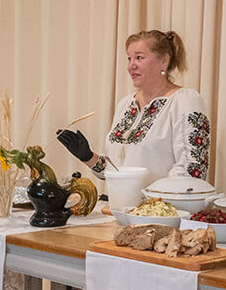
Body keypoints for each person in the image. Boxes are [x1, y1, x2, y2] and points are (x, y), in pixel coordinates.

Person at [56, 29, 211, 185]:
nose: (131, 66)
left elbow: (193, 170)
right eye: (129, 58)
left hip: (163, 207)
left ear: (164, 61)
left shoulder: (184, 101)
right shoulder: (126, 104)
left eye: (139, 58)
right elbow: (118, 172)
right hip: (121, 205)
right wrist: (88, 157)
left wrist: (150, 202)